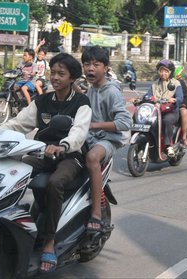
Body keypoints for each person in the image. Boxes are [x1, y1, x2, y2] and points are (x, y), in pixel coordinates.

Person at [0, 53, 92, 273]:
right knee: (11, 170)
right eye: (53, 72)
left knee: (55, 182)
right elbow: (18, 124)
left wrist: (63, 146)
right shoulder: (43, 100)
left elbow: (79, 132)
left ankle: (48, 241)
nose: (55, 77)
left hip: (70, 155)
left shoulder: (81, 102)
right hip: (41, 152)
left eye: (61, 74)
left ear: (72, 78)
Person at [81, 46, 132, 235]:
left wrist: (94, 126)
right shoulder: (91, 89)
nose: (91, 69)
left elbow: (125, 122)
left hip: (109, 139)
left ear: (106, 68)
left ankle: (95, 213)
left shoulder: (111, 92)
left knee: (92, 158)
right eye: (87, 64)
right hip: (91, 136)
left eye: (96, 64)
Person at [144, 59, 183, 157]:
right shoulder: (155, 85)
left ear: (170, 72)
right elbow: (148, 95)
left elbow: (180, 97)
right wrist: (141, 99)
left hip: (171, 111)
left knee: (167, 120)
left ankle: (168, 145)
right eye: (161, 71)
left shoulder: (176, 83)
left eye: (166, 71)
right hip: (156, 111)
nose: (163, 73)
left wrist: (174, 100)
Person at [174, 62, 187, 147]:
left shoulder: (180, 83)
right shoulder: (162, 81)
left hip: (178, 105)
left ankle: (184, 137)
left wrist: (181, 104)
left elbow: (184, 98)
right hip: (163, 105)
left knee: (184, 111)